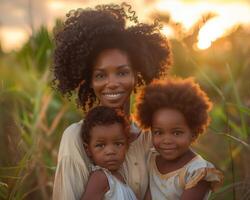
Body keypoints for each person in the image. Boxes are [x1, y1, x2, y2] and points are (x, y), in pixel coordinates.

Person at [52, 3, 172, 200]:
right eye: (100, 76)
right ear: (89, 81)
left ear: (136, 74)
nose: (112, 84)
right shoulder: (76, 138)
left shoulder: (151, 139)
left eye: (122, 72)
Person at [135, 78, 224, 200]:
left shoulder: (197, 172)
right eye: (158, 132)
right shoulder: (151, 159)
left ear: (194, 132)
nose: (166, 140)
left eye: (177, 133)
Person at [80, 106, 137, 200]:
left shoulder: (120, 178)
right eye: (100, 145)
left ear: (127, 145)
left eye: (118, 144)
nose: (110, 151)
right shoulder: (100, 178)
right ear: (88, 149)